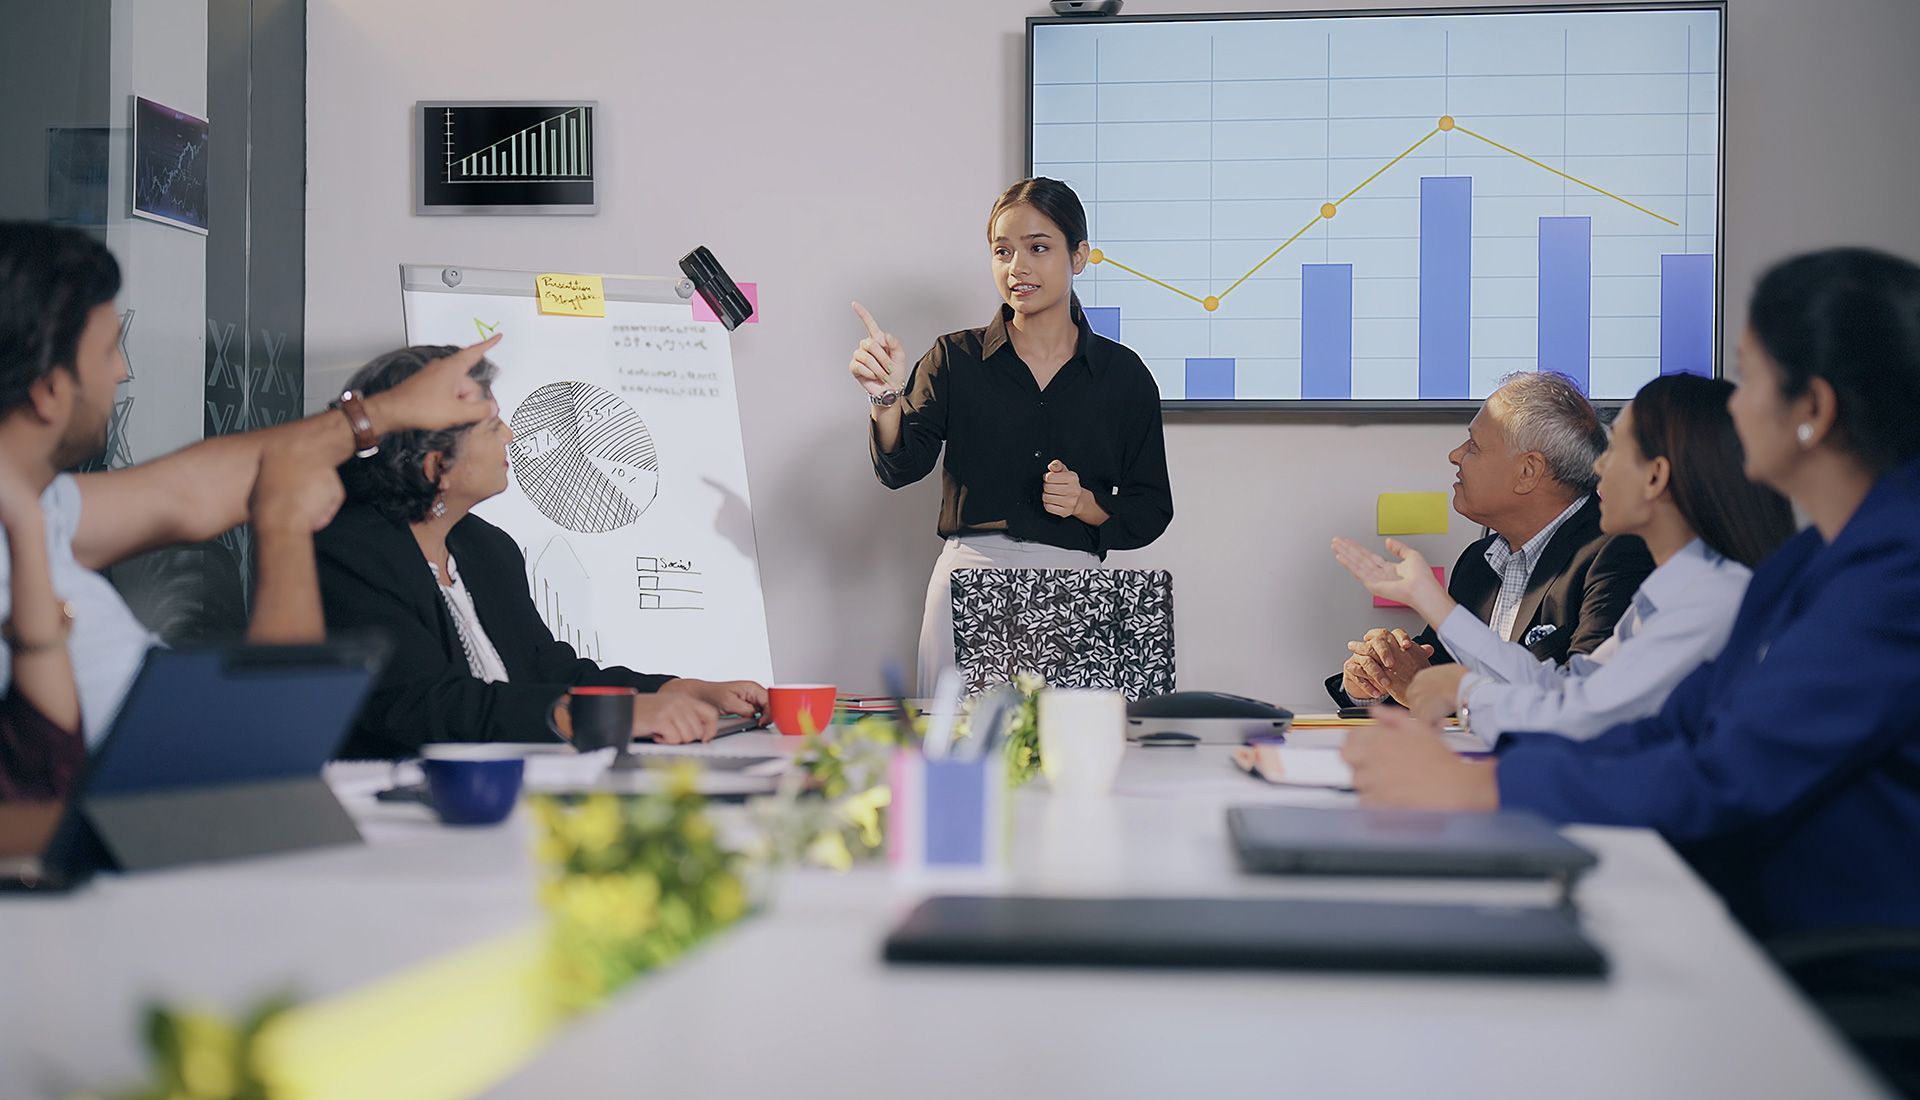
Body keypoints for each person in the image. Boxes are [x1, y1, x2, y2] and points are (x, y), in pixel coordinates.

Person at [1344, 247, 1920, 939]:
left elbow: (1726, 775)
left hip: (1832, 957)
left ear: (1814, 409)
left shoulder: (1894, 575)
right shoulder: (1806, 564)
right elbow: (1666, 727)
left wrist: (1483, 786)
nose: (1731, 406)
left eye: (1748, 377)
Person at [0, 222, 492, 798]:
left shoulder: (33, 507)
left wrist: (386, 412)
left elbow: (189, 493)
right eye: (108, 350)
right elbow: (265, 750)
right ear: (49, 392)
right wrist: (283, 524)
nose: (122, 371)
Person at [313, 346, 769, 759]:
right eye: (492, 426)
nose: (510, 435)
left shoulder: (487, 548)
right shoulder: (348, 554)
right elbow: (425, 704)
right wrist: (599, 715)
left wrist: (682, 690)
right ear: (437, 465)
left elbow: (547, 670)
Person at [1332, 374, 1794, 743]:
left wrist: (1461, 690)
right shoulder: (1675, 588)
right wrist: (1424, 605)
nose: (1598, 467)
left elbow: (1584, 719)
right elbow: (1566, 687)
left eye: (1619, 451)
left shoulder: (1701, 594)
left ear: (1655, 477)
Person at [853, 178, 1173, 691]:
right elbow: (902, 467)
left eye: (1038, 248)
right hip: (969, 575)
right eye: (1002, 251)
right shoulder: (953, 359)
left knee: (1069, 754)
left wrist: (1086, 504)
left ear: (1079, 256)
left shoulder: (1124, 375)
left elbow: (1152, 508)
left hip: (1076, 582)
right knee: (956, 753)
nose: (1017, 268)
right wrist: (886, 396)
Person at [1327, 371, 1654, 708]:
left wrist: (1439, 687)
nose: (1455, 455)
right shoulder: (1478, 562)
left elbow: (1583, 700)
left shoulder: (1618, 554)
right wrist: (1376, 678)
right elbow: (1430, 677)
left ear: (1528, 472)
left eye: (1475, 446)